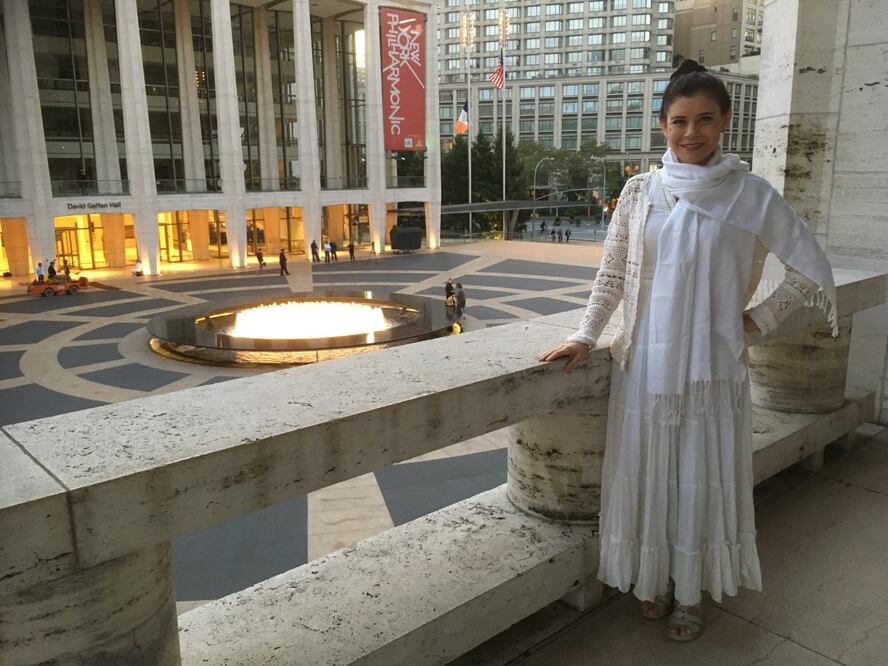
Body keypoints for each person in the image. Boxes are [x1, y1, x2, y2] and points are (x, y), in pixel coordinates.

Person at [537, 60, 836, 643]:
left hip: (712, 368)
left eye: (704, 119)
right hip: (645, 364)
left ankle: (691, 595)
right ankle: (652, 579)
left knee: (700, 477)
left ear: (725, 121)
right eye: (678, 121)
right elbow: (613, 274)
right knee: (648, 475)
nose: (690, 132)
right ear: (662, 125)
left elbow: (807, 265)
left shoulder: (751, 194)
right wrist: (585, 334)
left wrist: (761, 317)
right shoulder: (640, 191)